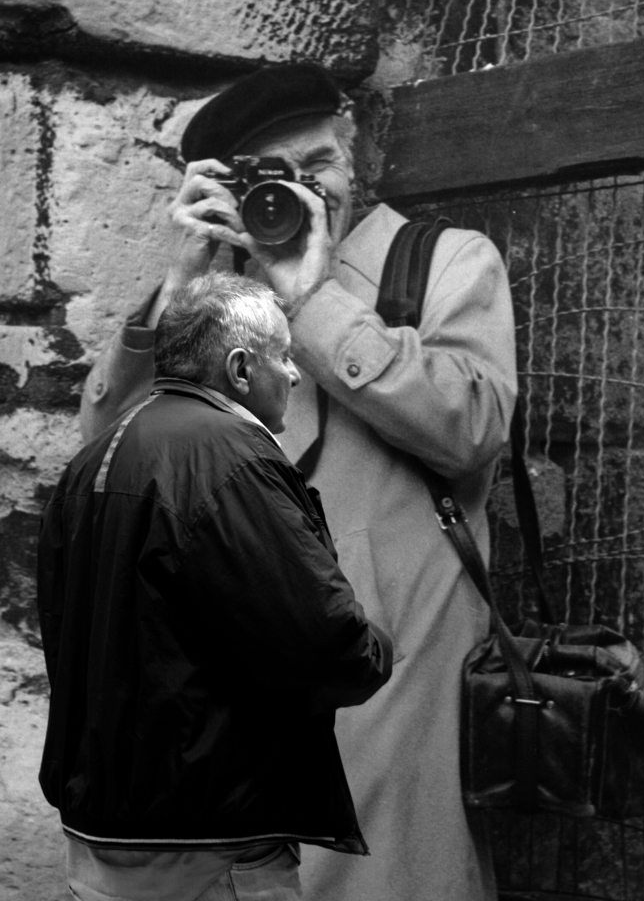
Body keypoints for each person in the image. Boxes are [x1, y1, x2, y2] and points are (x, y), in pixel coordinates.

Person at [80, 63, 517, 900]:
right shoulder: (214, 296)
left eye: (316, 164)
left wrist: (314, 300)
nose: (305, 192)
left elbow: (472, 429)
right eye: (270, 177)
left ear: (351, 153)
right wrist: (176, 298)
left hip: (394, 686)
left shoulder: (441, 264)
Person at [38, 272, 393, 901]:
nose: (294, 374)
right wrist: (377, 648)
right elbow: (324, 643)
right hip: (208, 849)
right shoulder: (232, 455)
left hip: (100, 845)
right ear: (238, 367)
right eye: (282, 356)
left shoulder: (94, 457)